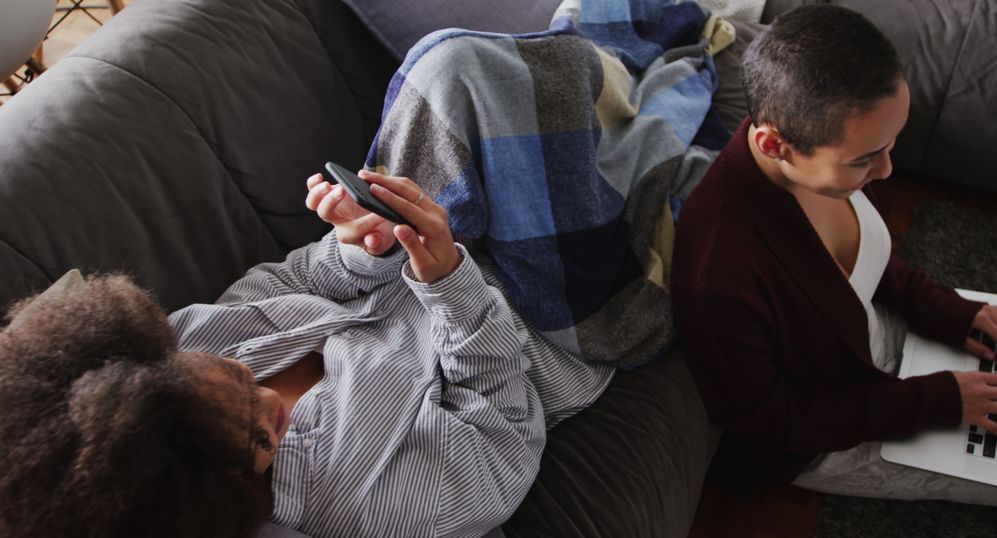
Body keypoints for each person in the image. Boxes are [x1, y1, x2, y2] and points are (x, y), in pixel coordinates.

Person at [0, 170, 613, 538]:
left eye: (240, 376)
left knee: (449, 68)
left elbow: (290, 282)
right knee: (480, 76)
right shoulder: (365, 505)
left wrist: (359, 247)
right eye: (256, 438)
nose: (269, 403)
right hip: (538, 311)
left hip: (444, 240)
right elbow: (502, 422)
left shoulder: (180, 349)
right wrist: (448, 280)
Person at [671, 4, 997, 525]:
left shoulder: (818, 161)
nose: (886, 170)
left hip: (854, 341)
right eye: (866, 158)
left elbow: (869, 260)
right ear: (775, 144)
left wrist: (950, 310)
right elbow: (770, 420)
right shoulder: (718, 280)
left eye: (891, 144)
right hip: (820, 429)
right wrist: (934, 401)